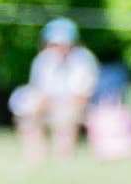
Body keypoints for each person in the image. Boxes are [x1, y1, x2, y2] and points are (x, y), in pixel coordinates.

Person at [14, 19, 98, 160]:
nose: (58, 48)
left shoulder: (83, 59)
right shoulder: (43, 59)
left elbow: (82, 95)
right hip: (49, 102)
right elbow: (38, 89)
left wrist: (62, 107)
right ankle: (35, 157)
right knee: (27, 115)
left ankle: (63, 157)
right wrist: (40, 106)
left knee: (66, 117)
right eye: (54, 44)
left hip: (74, 104)